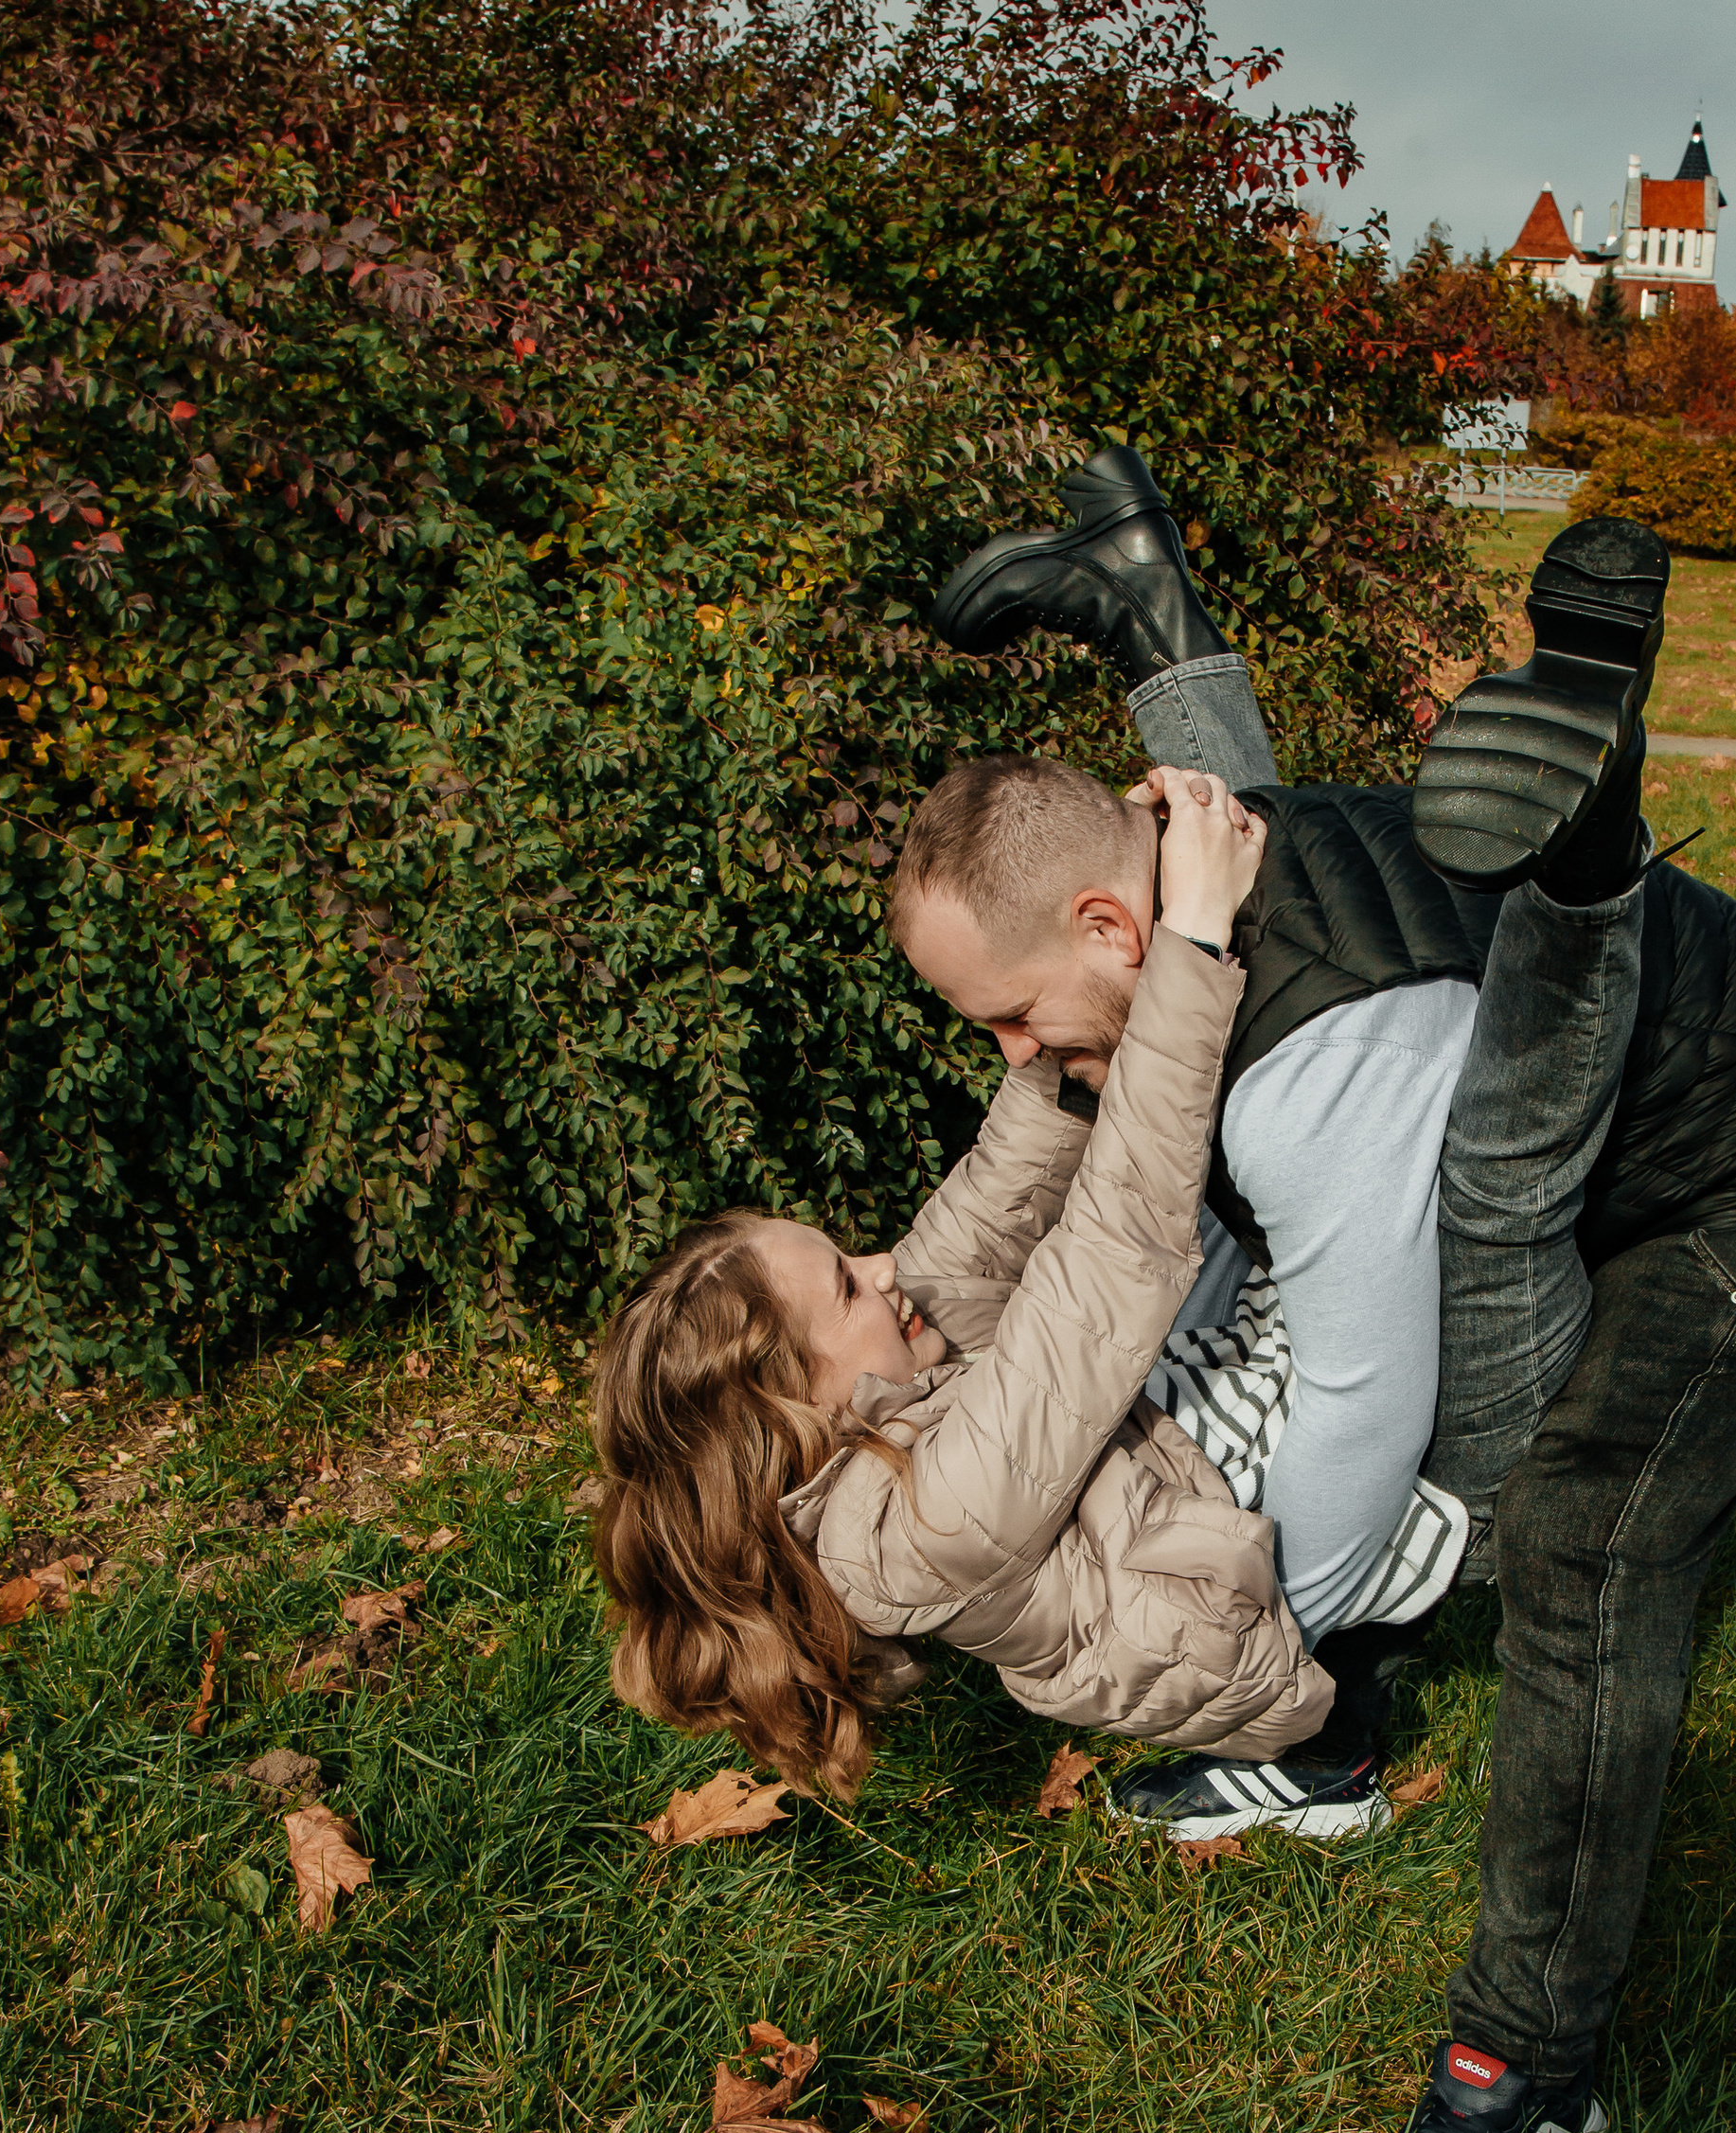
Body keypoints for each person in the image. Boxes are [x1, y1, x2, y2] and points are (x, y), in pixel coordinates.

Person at [918, 445, 1736, 2133]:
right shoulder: (1205, 872)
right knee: (1427, 1348)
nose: (1016, 1060)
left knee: (1582, 1543)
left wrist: (1260, 1638)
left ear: (1107, 923)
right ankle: (1330, 1757)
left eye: (1011, 1018)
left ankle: (1525, 2074)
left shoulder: (1310, 1084)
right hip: (1597, 1113)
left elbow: (1372, 1406)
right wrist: (1157, 625)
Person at [589, 734, 1649, 1824]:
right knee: (1325, 1203)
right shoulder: (928, 1522)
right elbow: (1112, 1247)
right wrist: (1186, 938)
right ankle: (1313, 1760)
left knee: (1235, 1175)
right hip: (1238, 1595)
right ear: (798, 1403)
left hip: (1160, 1477)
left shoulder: (868, 1425)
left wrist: (1077, 1015)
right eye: (848, 1288)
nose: (879, 1266)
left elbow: (992, 1207)